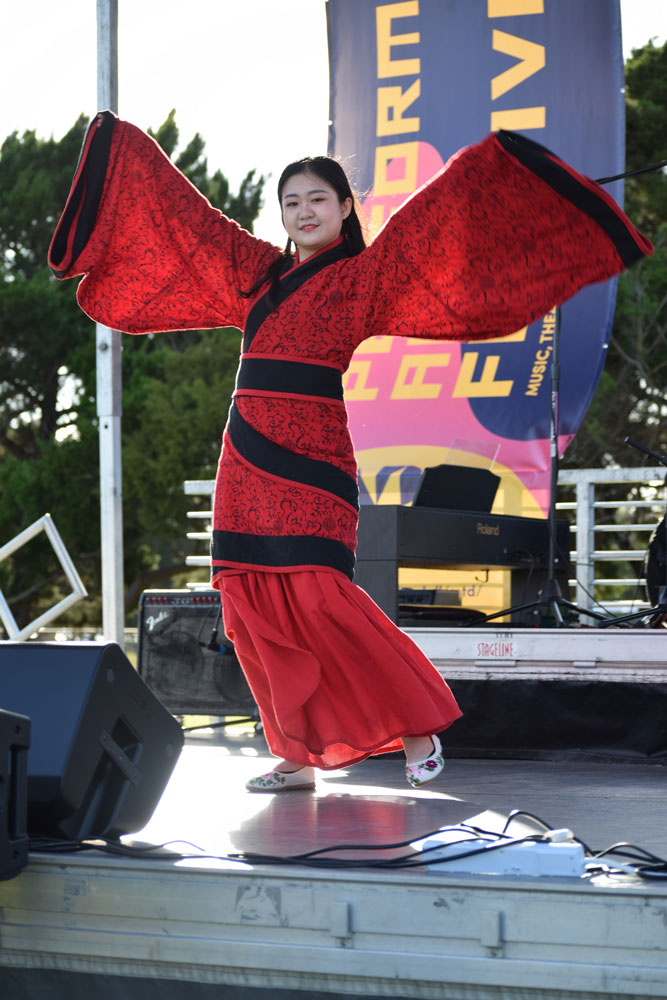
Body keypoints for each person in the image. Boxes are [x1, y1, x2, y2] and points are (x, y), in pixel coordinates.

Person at [49, 112, 652, 792]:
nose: (303, 211)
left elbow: (434, 240)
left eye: (316, 199)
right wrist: (124, 149)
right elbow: (190, 225)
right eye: (291, 202)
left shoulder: (364, 278)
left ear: (344, 209)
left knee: (321, 598)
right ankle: (297, 751)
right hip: (244, 457)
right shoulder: (257, 275)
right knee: (247, 604)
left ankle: (417, 726)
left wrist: (501, 180)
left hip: (311, 458)